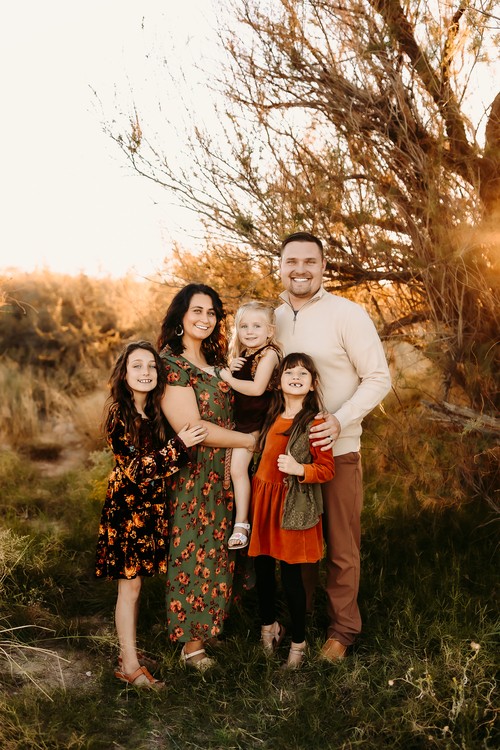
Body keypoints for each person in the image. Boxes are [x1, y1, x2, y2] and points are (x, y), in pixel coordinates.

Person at [275, 231, 392, 661]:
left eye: (310, 261)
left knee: (341, 547)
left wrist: (341, 419)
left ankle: (342, 630)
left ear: (323, 266)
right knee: (298, 544)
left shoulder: (347, 314)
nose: (300, 269)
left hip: (338, 449)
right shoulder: (274, 318)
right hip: (290, 457)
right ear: (280, 267)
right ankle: (299, 620)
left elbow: (378, 377)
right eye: (292, 261)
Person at [95, 340, 207, 689]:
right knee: (129, 587)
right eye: (137, 366)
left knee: (137, 585)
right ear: (124, 373)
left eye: (151, 366)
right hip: (127, 511)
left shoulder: (155, 413)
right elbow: (136, 469)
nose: (145, 372)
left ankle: (128, 653)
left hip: (151, 509)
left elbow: (164, 464)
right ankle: (129, 667)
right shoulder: (119, 414)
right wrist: (179, 445)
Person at [158, 283, 256, 671]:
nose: (205, 318)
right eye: (197, 311)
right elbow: (192, 427)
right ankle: (190, 645)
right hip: (195, 471)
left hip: (227, 470)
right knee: (193, 550)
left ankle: (213, 624)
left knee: (220, 550)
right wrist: (249, 440)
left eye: (212, 312)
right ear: (180, 315)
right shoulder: (171, 364)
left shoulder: (216, 360)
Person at [248, 352, 335, 668]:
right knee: (262, 569)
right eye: (289, 372)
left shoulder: (315, 422)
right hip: (263, 502)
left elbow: (326, 469)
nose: (295, 377)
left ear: (312, 384)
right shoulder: (271, 415)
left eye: (303, 373)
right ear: (278, 381)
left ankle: (298, 643)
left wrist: (300, 469)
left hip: (291, 505)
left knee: (290, 577)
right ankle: (268, 627)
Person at [218, 301, 281, 549]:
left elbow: (256, 389)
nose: (250, 331)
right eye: (244, 326)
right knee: (236, 471)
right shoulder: (245, 355)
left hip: (257, 421)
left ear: (270, 331)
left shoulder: (270, 354)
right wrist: (232, 367)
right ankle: (240, 518)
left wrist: (227, 377)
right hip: (241, 420)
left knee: (237, 470)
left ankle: (242, 523)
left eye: (257, 326)